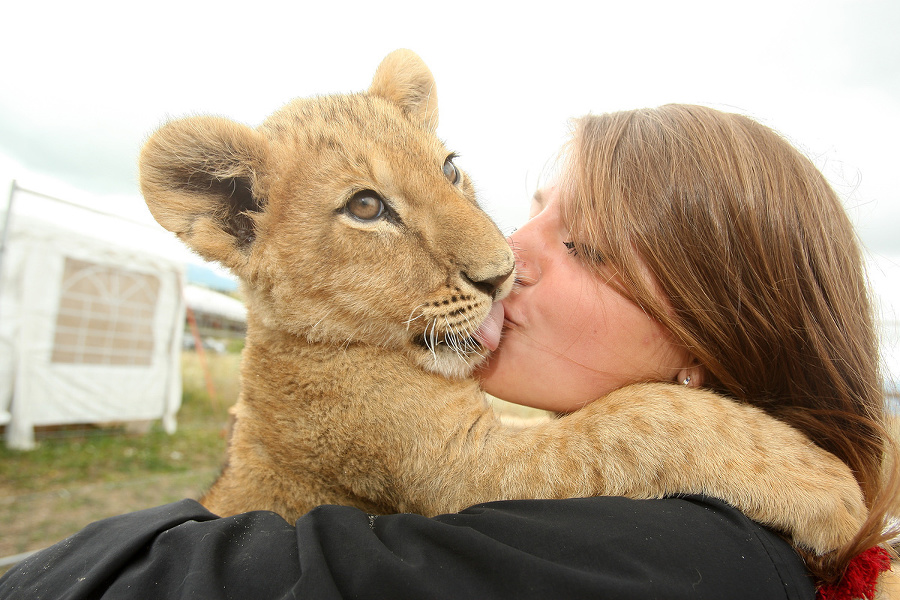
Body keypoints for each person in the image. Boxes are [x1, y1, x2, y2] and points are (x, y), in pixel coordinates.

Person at [1, 104, 897, 599]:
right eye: (537, 209)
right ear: (238, 219)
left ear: (710, 340)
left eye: (584, 246)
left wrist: (680, 428)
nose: (497, 254)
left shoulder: (681, 560)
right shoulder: (332, 371)